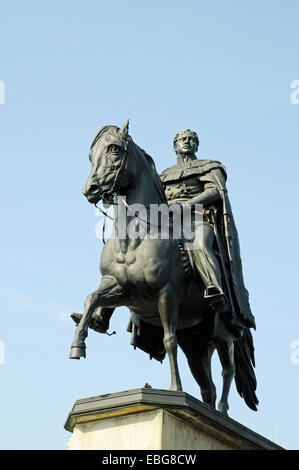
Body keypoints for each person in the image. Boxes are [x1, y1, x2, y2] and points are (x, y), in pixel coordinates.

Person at [159, 129, 255, 329]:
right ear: (174, 146)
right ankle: (111, 311)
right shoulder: (164, 175)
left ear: (196, 145)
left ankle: (214, 286)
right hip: (170, 223)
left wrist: (187, 205)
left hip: (198, 219)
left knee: (200, 243)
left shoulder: (208, 166)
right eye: (182, 140)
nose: (186, 142)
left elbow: (215, 191)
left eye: (191, 139)